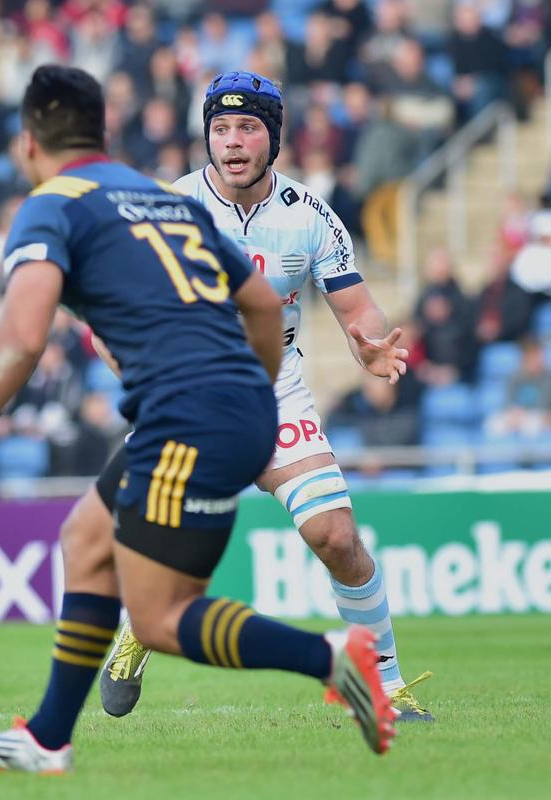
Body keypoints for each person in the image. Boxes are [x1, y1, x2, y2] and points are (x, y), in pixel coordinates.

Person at [0, 65, 394, 774]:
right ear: (101, 132)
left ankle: (335, 656)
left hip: (192, 409)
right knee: (86, 539)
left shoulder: (52, 205)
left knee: (163, 616)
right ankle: (48, 737)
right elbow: (261, 302)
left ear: (28, 142)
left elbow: (19, 339)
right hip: (223, 399)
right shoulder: (154, 195)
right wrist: (250, 393)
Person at [99, 72, 432, 722]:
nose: (232, 142)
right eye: (220, 129)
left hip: (274, 392)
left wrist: (367, 345)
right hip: (188, 397)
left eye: (247, 127)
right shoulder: (167, 206)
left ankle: (384, 686)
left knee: (336, 536)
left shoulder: (310, 215)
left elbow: (357, 307)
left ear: (273, 137)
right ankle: (138, 628)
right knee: (171, 558)